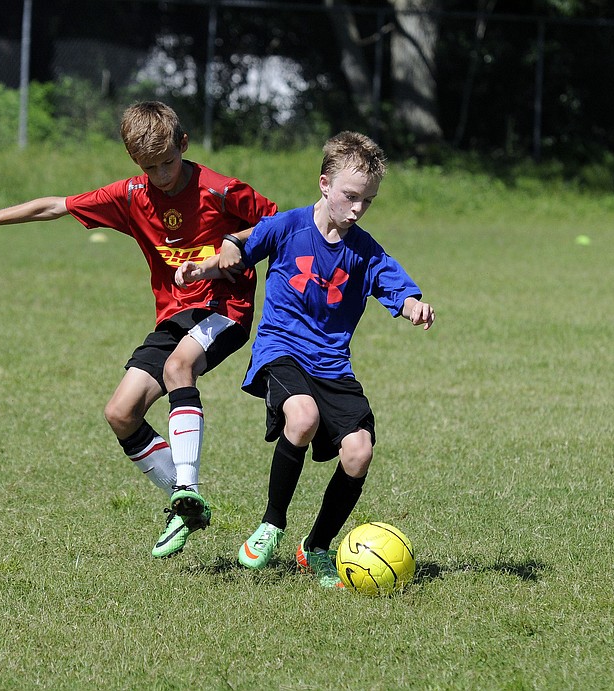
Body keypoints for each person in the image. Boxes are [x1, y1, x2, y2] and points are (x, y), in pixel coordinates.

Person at [0, 101, 278, 558]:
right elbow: (55, 205)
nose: (162, 175)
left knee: (178, 368)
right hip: (174, 316)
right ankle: (187, 507)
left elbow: (281, 224)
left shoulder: (221, 190)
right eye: (150, 167)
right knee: (121, 412)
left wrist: (234, 242)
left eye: (168, 162)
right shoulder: (132, 195)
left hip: (224, 309)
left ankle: (186, 488)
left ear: (184, 144)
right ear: (135, 161)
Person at [175, 131, 434, 587]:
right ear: (324, 184)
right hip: (281, 350)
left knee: (359, 452)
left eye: (368, 201)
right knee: (303, 416)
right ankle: (271, 524)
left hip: (332, 364)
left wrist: (413, 306)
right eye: (350, 196)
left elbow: (396, 285)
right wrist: (204, 267)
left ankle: (315, 547)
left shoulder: (365, 250)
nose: (358, 209)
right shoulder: (287, 226)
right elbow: (240, 250)